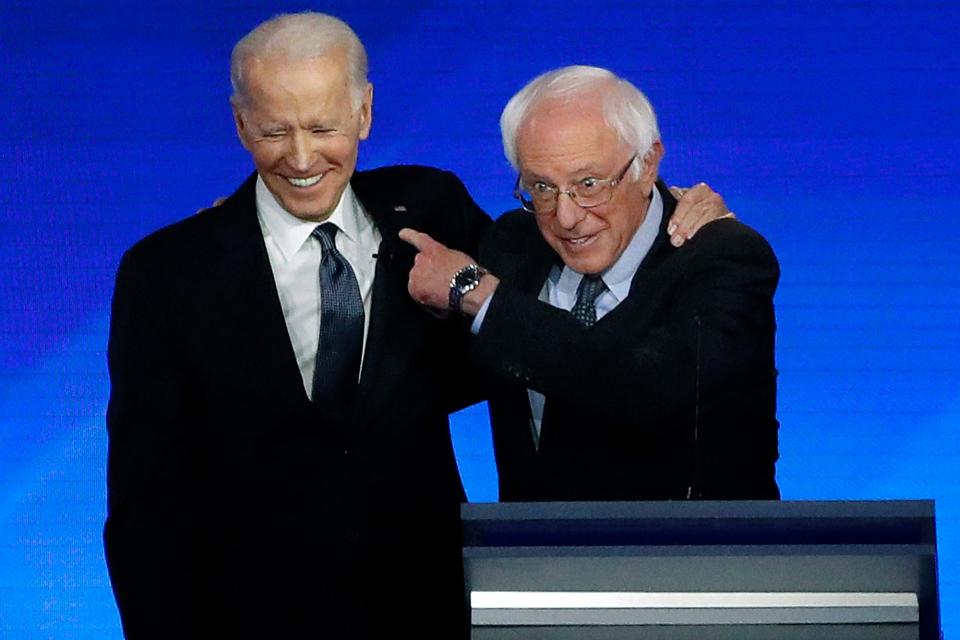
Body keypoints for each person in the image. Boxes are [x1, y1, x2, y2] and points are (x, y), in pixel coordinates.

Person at [105, 12, 729, 637]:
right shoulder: (167, 275)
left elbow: (568, 259)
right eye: (275, 131)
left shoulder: (432, 208)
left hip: (425, 611)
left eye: (323, 127)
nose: (300, 157)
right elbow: (144, 507)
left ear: (364, 113)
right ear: (241, 123)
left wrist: (671, 205)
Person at [402, 65, 780, 503]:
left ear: (647, 162)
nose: (567, 217)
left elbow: (641, 390)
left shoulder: (723, 260)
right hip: (533, 562)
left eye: (589, 184)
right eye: (541, 187)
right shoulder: (511, 246)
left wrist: (479, 293)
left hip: (690, 561)